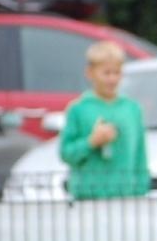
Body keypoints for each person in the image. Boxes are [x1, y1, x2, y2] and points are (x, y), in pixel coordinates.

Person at [58, 40, 150, 199]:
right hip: (87, 196)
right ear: (90, 73)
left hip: (125, 196)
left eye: (117, 73)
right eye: (106, 73)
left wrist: (140, 190)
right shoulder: (78, 109)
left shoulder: (132, 109)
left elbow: (140, 156)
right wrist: (91, 142)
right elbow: (66, 153)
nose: (112, 79)